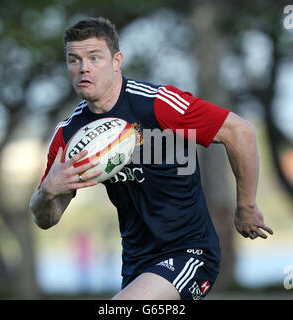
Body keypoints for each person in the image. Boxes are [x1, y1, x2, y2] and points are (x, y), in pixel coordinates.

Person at [29, 17, 273, 300]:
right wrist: (47, 192)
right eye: (74, 60)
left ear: (116, 60)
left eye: (94, 57)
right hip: (137, 265)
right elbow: (46, 219)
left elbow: (239, 131)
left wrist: (246, 206)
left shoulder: (157, 104)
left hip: (189, 253)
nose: (84, 68)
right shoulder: (69, 134)